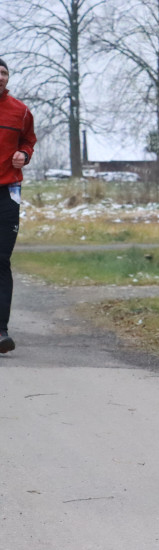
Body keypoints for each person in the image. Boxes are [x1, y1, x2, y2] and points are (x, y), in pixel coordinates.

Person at [0, 57, 36, 354]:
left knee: (1, 260)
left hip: (7, 192)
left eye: (3, 73)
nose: (0, 77)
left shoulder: (21, 111)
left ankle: (1, 331)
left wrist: (24, 153)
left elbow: (29, 141)